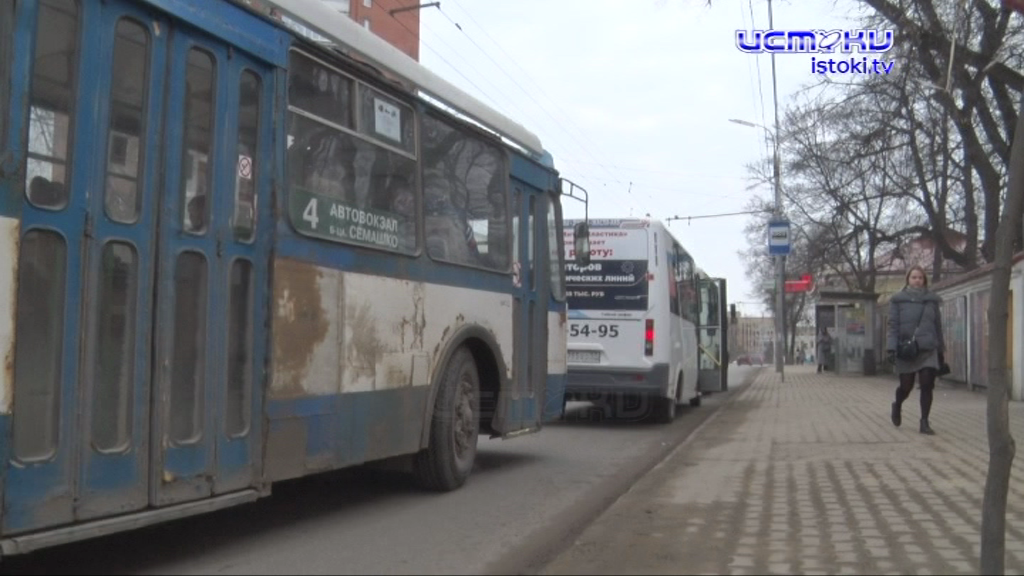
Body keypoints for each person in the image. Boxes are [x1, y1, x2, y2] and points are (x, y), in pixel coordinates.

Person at [886, 265, 945, 435]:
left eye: (920, 277)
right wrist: (891, 348)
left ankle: (924, 421)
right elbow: (893, 326)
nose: (917, 280)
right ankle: (897, 404)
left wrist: (940, 348)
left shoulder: (931, 300)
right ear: (908, 280)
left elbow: (937, 326)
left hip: (928, 348)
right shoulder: (898, 300)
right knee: (906, 386)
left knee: (927, 384)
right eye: (914, 277)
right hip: (907, 349)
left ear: (924, 280)